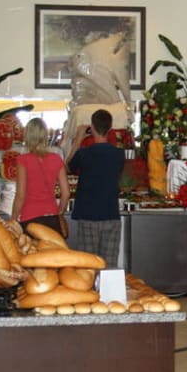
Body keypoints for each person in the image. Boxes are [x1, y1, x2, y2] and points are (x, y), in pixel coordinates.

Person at [66, 108, 124, 268]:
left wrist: (78, 139)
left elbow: (67, 167)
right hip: (111, 214)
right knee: (109, 265)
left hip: (87, 214)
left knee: (88, 266)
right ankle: (109, 286)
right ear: (110, 128)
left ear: (92, 127)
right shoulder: (118, 154)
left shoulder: (84, 153)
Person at [11, 118, 70, 234]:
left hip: (29, 218)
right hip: (52, 217)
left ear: (27, 136)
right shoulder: (56, 159)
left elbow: (20, 195)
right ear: (45, 136)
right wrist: (60, 212)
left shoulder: (22, 160)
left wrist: (13, 218)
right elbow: (66, 193)